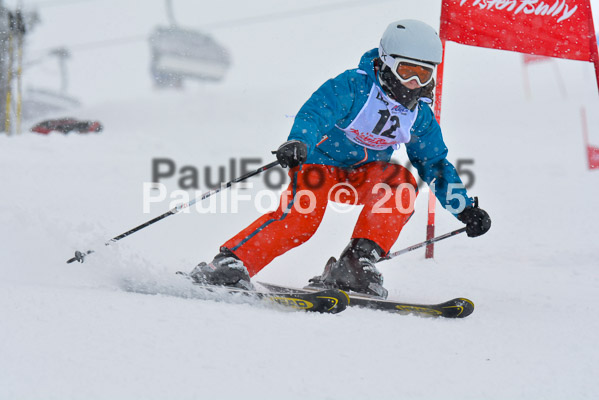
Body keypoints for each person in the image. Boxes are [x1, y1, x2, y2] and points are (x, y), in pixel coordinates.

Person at [189, 20, 491, 298]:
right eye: (406, 71)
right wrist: (298, 142)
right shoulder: (354, 87)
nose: (413, 82)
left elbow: (434, 163)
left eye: (423, 74)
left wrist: (463, 209)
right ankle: (231, 264)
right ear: (386, 63)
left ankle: (355, 264)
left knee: (400, 182)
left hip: (361, 176)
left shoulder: (418, 115)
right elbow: (315, 113)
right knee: (301, 220)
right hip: (317, 168)